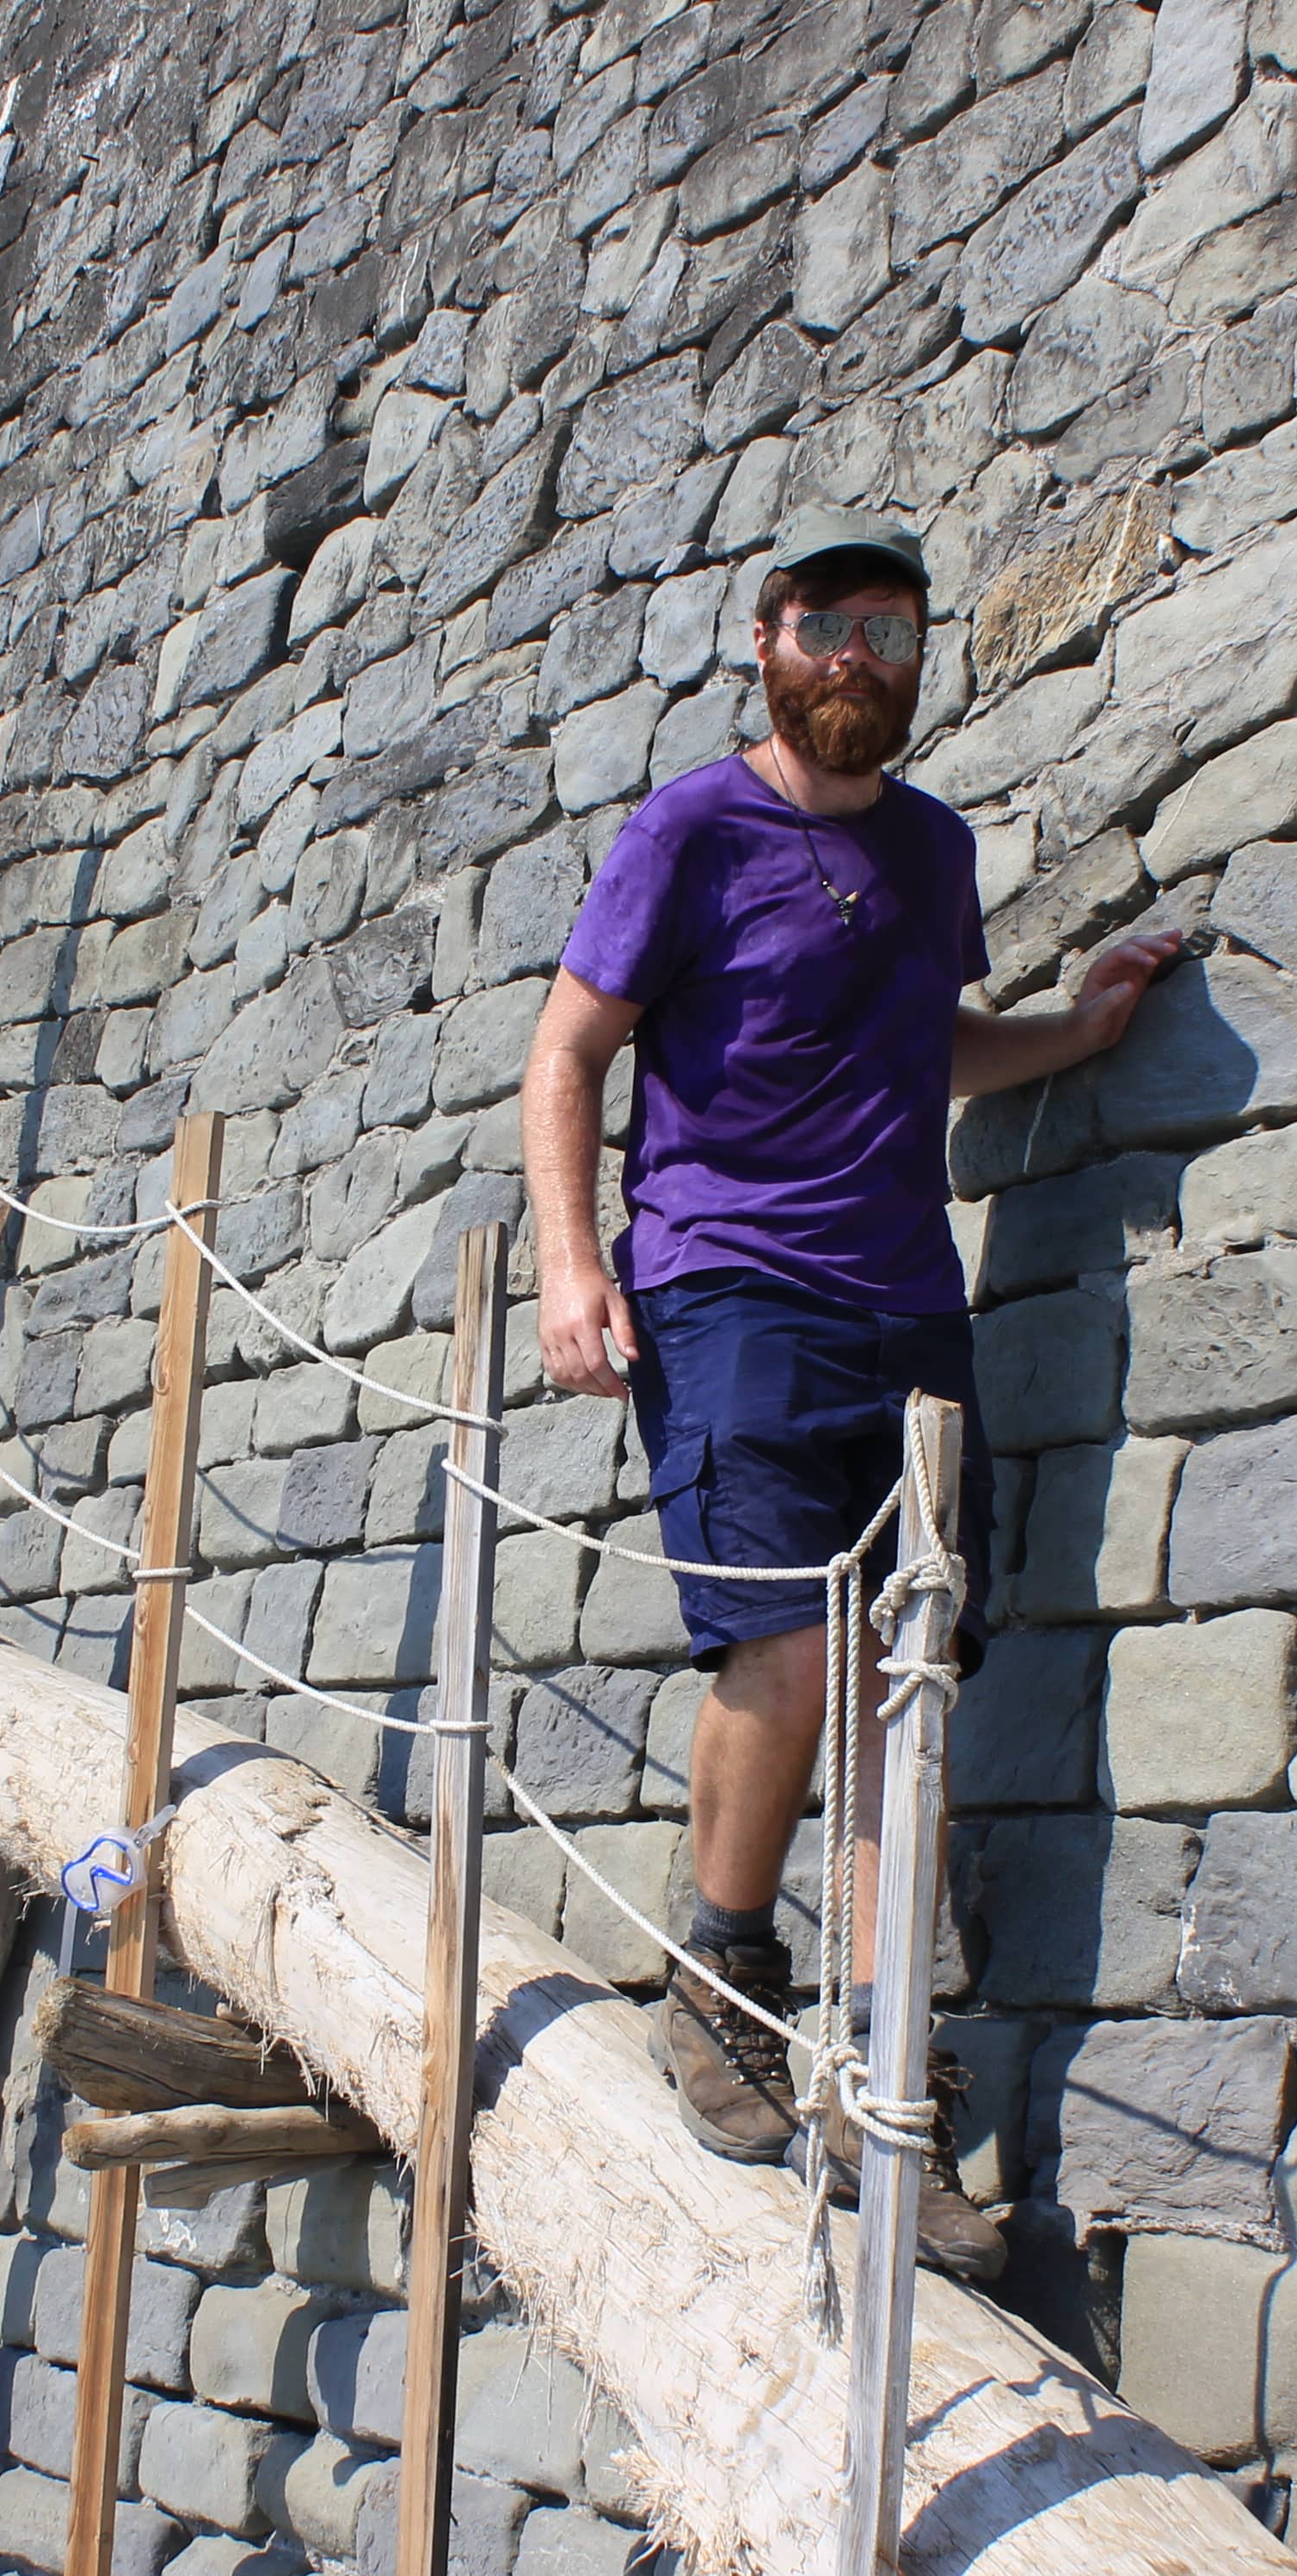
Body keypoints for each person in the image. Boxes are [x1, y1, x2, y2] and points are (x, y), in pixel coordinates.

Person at [521, 507, 1189, 2286]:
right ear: (768, 641)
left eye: (891, 633)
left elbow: (926, 1046)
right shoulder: (691, 830)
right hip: (728, 1283)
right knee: (789, 1647)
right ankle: (723, 1983)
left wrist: (1075, 1036)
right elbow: (570, 1049)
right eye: (830, 626)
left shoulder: (934, 849)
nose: (859, 659)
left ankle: (884, 2087)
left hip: (909, 1305)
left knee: (910, 1680)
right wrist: (574, 1265)